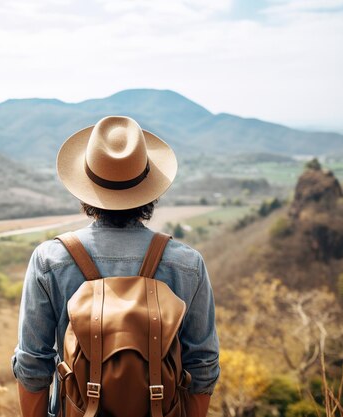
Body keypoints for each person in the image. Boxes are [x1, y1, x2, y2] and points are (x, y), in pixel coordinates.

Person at [12, 116, 220, 417]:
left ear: (87, 188)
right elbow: (202, 366)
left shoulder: (49, 260)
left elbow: (33, 365)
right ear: (150, 190)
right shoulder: (187, 264)